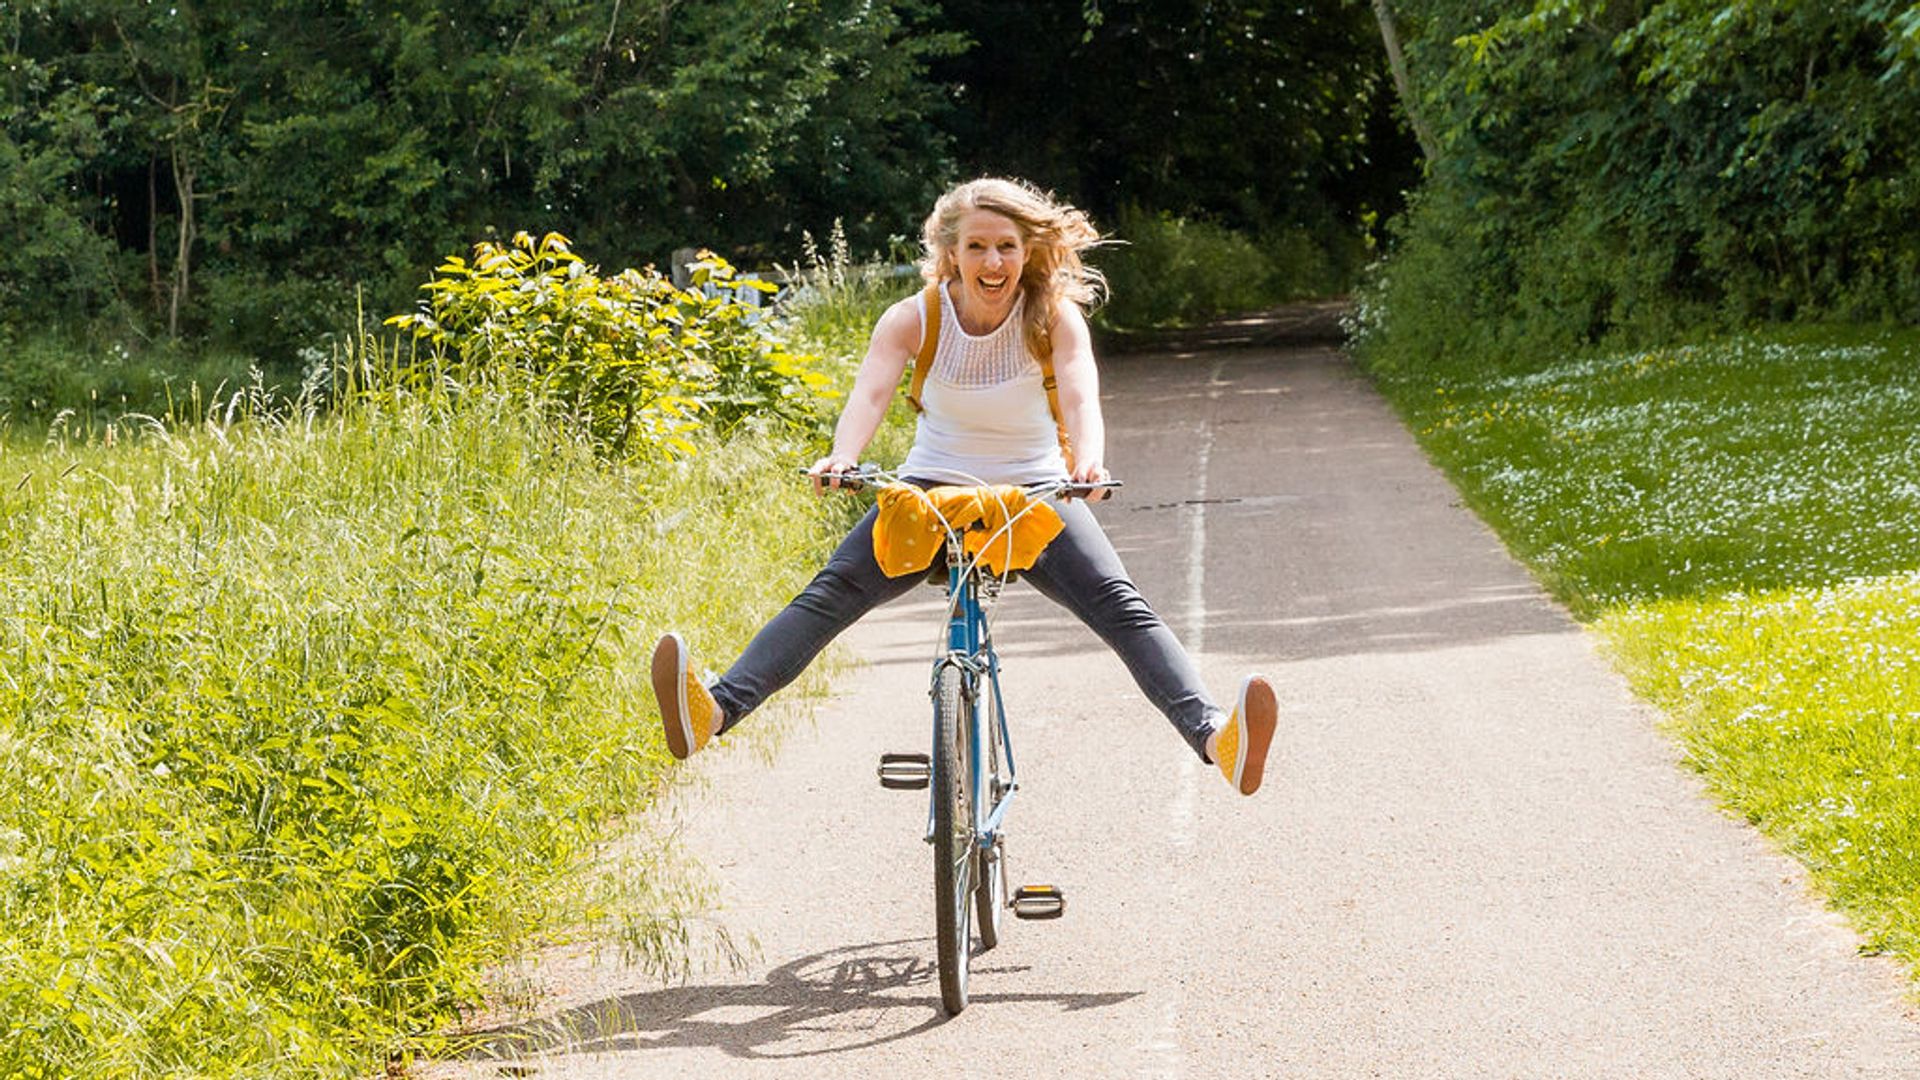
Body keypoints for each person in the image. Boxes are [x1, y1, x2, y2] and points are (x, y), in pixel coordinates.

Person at [650, 177, 1276, 794]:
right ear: (951, 252)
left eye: (1006, 245)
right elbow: (870, 393)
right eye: (976, 246)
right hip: (928, 493)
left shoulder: (1054, 319)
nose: (993, 260)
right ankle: (716, 711)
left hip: (1033, 496)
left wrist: (1087, 462)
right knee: (827, 595)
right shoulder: (914, 318)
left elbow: (1081, 392)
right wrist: (842, 456)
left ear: (1028, 250)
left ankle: (1216, 740)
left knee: (1123, 609)